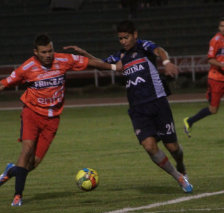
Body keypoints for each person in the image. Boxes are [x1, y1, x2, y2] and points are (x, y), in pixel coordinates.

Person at [66, 20, 193, 193]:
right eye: (120, 39)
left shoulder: (144, 47)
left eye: (126, 37)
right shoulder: (120, 56)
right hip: (137, 109)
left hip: (158, 103)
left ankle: (180, 163)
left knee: (173, 148)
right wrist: (84, 54)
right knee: (149, 146)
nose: (123, 41)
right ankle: (178, 176)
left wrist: (166, 63)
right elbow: (100, 64)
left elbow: (160, 50)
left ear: (135, 35)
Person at [0, 33, 118, 206]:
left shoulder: (63, 60)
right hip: (31, 113)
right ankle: (18, 196)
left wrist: (115, 68)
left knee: (33, 163)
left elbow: (90, 62)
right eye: (44, 52)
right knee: (27, 150)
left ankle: (11, 171)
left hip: (52, 119)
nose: (48, 55)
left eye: (50, 51)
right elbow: (4, 83)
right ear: (36, 52)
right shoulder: (27, 67)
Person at [183, 17, 224, 138]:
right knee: (213, 110)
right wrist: (222, 65)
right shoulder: (216, 40)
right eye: (221, 26)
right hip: (217, 79)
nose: (223, 28)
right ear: (219, 27)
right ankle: (190, 121)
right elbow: (211, 59)